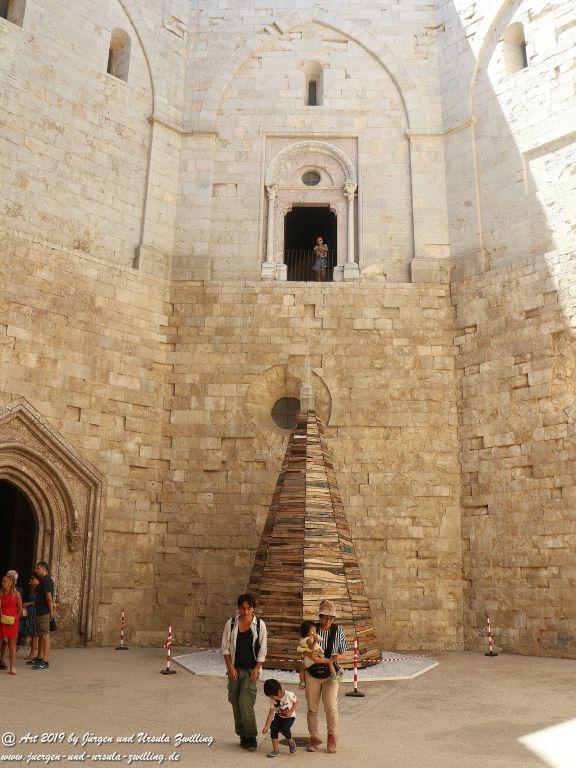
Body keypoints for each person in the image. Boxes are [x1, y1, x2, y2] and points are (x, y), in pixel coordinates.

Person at [221, 593, 268, 751]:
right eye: (242, 608)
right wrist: (230, 667)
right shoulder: (232, 623)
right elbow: (225, 647)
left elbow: (262, 650)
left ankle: (251, 736)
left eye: (249, 608)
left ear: (253, 609)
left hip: (250, 671)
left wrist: (257, 668)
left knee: (245, 703)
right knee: (235, 702)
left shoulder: (260, 625)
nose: (246, 611)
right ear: (238, 608)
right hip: (234, 669)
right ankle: (242, 735)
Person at [305, 599, 348, 754]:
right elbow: (304, 648)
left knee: (331, 706)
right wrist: (311, 653)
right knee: (312, 708)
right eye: (325, 616)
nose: (328, 620)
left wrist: (339, 657)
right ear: (320, 616)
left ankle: (332, 735)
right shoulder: (312, 629)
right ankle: (314, 737)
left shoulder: (339, 631)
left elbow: (345, 653)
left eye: (331, 617)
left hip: (331, 675)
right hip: (313, 674)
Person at [298, 620, 342, 687]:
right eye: (314, 630)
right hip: (314, 659)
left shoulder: (302, 639)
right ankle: (334, 676)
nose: (315, 632)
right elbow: (312, 648)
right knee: (329, 661)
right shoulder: (309, 639)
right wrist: (315, 641)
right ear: (308, 631)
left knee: (302, 669)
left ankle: (302, 682)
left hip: (307, 660)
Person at [262, 678, 298, 758]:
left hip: (289, 717)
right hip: (278, 716)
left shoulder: (289, 694)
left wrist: (291, 710)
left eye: (272, 696)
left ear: (278, 691)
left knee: (284, 728)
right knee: (273, 729)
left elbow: (296, 701)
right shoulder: (273, 699)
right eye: (270, 697)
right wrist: (266, 726)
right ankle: (276, 750)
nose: (272, 698)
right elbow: (271, 712)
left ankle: (291, 742)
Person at [33, 561, 55, 670]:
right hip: (41, 611)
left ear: (43, 569)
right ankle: (40, 657)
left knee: (45, 636)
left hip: (44, 612)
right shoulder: (44, 580)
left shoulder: (46, 580)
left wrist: (51, 612)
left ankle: (45, 661)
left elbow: (49, 598)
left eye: (38, 569)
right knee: (42, 635)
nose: (36, 571)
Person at [0, 572, 23, 675]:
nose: (2, 583)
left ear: (10, 583)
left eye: (4, 581)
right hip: (1, 620)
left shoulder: (17, 594)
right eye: (3, 581)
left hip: (12, 622)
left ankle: (12, 667)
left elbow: (20, 610)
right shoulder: (1, 593)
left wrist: (13, 618)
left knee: (11, 644)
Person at [23, 574, 39, 662]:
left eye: (33, 579)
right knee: (33, 634)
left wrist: (29, 603)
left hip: (36, 613)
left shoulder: (39, 589)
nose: (31, 581)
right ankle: (32, 653)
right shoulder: (34, 589)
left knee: (35, 634)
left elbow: (39, 602)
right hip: (31, 613)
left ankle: (33, 654)